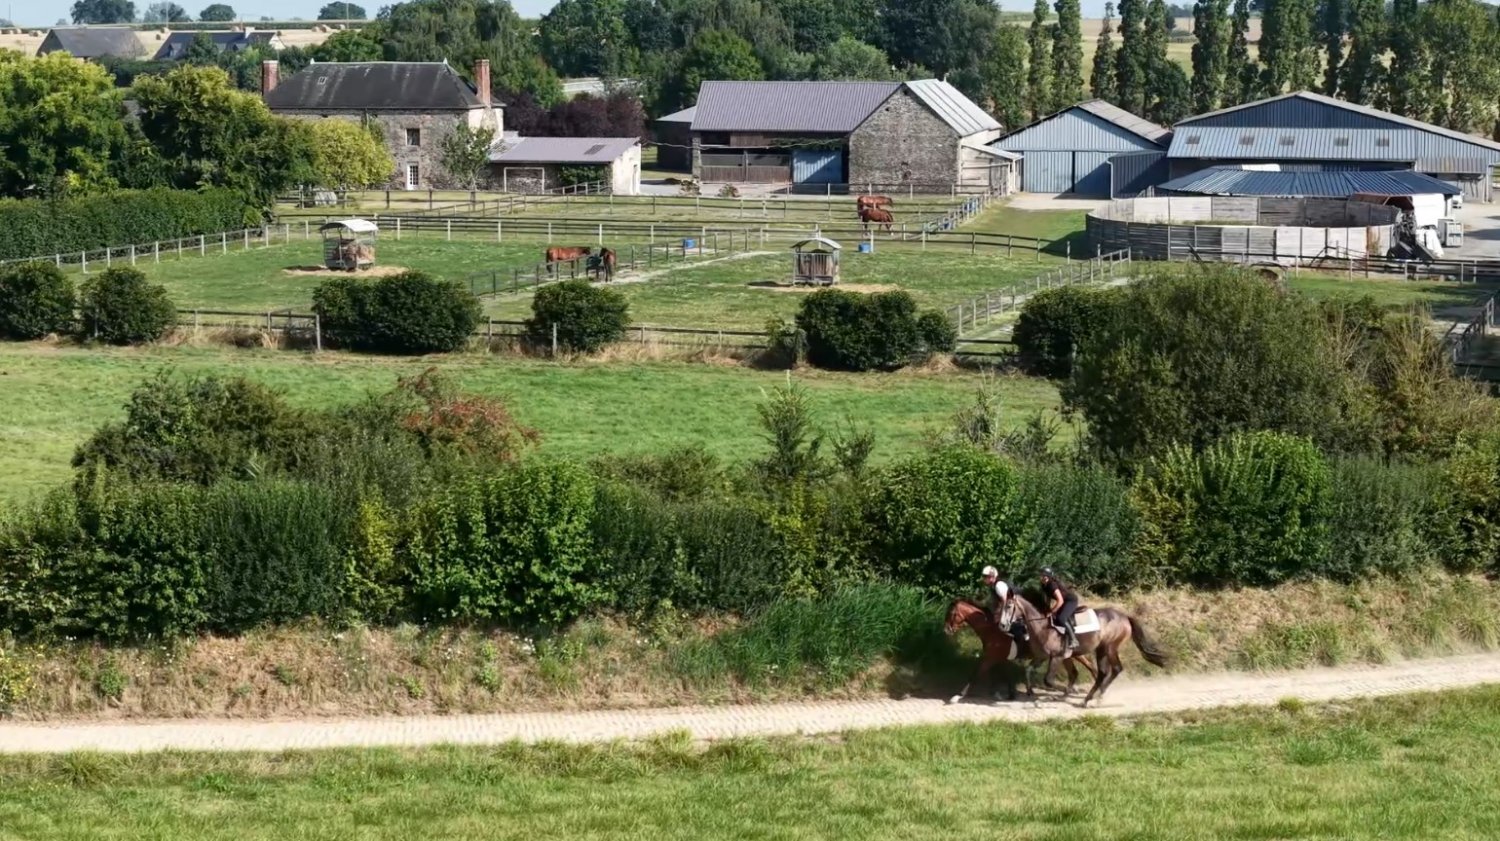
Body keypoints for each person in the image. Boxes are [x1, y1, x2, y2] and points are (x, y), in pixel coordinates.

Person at [1041, 567, 1079, 651]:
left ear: (1049, 577)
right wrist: (1047, 608)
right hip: (1064, 601)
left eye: (1044, 576)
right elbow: (1048, 598)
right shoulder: (1044, 585)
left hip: (1071, 601)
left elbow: (1060, 601)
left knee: (1061, 618)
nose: (1042, 577)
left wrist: (1052, 612)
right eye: (1041, 575)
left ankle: (1074, 640)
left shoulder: (1052, 585)